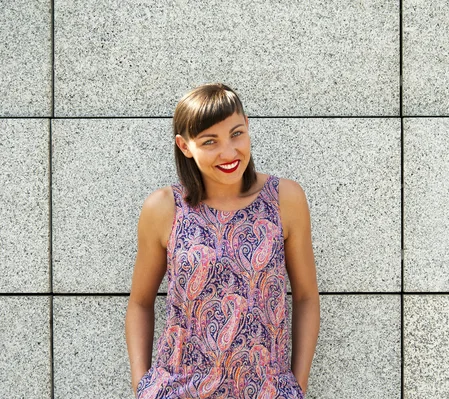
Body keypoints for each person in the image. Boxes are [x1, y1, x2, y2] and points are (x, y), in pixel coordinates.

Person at [125, 83, 320, 399]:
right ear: (185, 146)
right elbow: (140, 302)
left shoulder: (286, 199)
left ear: (248, 127)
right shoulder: (163, 208)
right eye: (210, 141)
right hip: (179, 390)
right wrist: (143, 387)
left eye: (236, 133)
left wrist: (295, 385)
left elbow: (307, 297)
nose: (229, 152)